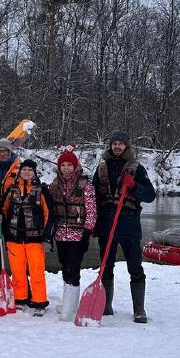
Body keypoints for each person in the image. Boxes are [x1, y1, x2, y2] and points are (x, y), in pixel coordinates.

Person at [92, 131, 156, 323]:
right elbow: (92, 197)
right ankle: (106, 306)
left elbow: (150, 195)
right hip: (106, 223)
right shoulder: (102, 168)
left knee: (135, 267)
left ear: (126, 147)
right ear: (110, 146)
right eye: (114, 144)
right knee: (106, 267)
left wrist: (134, 186)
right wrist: (94, 222)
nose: (117, 147)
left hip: (129, 225)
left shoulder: (137, 168)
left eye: (120, 144)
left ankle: (139, 310)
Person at [48, 146, 97, 322]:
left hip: (78, 234)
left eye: (70, 164)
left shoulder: (86, 185)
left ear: (75, 166)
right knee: (64, 267)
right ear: (59, 167)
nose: (66, 168)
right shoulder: (54, 185)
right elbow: (48, 209)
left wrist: (86, 232)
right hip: (61, 233)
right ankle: (69, 302)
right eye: (63, 165)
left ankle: (68, 311)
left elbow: (91, 211)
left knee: (73, 268)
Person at [2, 159, 53, 316]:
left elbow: (48, 214)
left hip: (35, 238)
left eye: (30, 170)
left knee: (37, 271)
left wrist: (47, 238)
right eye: (24, 169)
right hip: (14, 237)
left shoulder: (42, 190)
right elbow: (3, 210)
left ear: (35, 172)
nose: (26, 172)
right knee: (17, 272)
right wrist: (0, 221)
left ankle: (39, 302)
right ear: (20, 171)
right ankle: (20, 299)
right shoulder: (12, 190)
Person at [0, 137, 21, 301]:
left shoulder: (19, 168)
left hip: (14, 216)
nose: (2, 154)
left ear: (10, 152)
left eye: (5, 151)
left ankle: (21, 289)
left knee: (15, 254)